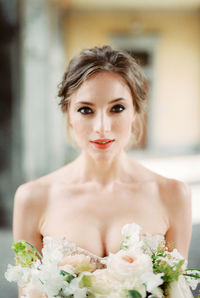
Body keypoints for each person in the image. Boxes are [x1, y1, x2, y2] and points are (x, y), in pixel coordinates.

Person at [13, 45, 192, 297]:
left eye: (117, 108)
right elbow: (27, 292)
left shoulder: (173, 194)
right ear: (68, 115)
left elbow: (176, 290)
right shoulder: (33, 198)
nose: (102, 127)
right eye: (86, 110)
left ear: (135, 111)